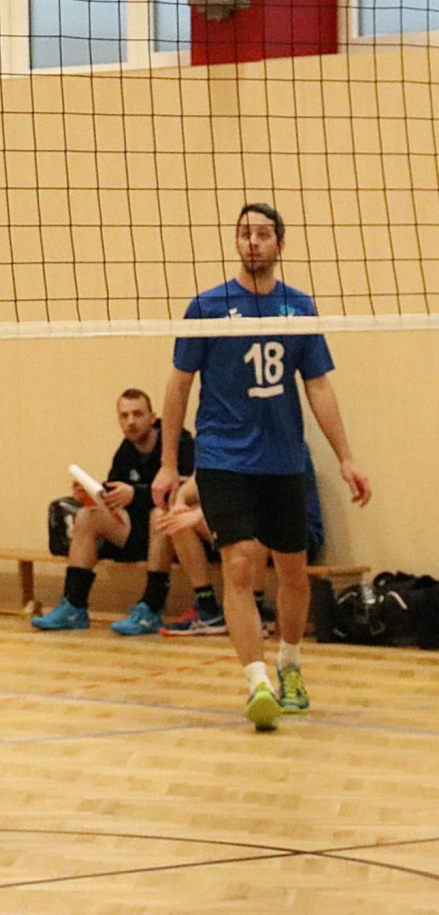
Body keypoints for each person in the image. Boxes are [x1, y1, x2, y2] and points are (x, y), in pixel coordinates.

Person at [152, 203, 372, 730]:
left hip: (282, 459)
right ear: (236, 242)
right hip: (223, 457)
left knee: (292, 571)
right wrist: (168, 464)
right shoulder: (207, 307)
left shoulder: (298, 307)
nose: (253, 241)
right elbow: (179, 386)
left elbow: (318, 386)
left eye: (264, 234)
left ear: (280, 245)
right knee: (240, 566)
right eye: (245, 233)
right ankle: (257, 682)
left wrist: (346, 457)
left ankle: (290, 665)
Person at [31, 388, 203, 634]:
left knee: (160, 515)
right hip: (136, 530)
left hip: (175, 532)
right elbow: (117, 492)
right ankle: (73, 606)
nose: (131, 422)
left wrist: (136, 494)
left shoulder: (180, 444)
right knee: (86, 517)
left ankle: (151, 609)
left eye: (137, 414)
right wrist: (94, 495)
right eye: (124, 416)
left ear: (153, 417)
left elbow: (185, 494)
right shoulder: (126, 450)